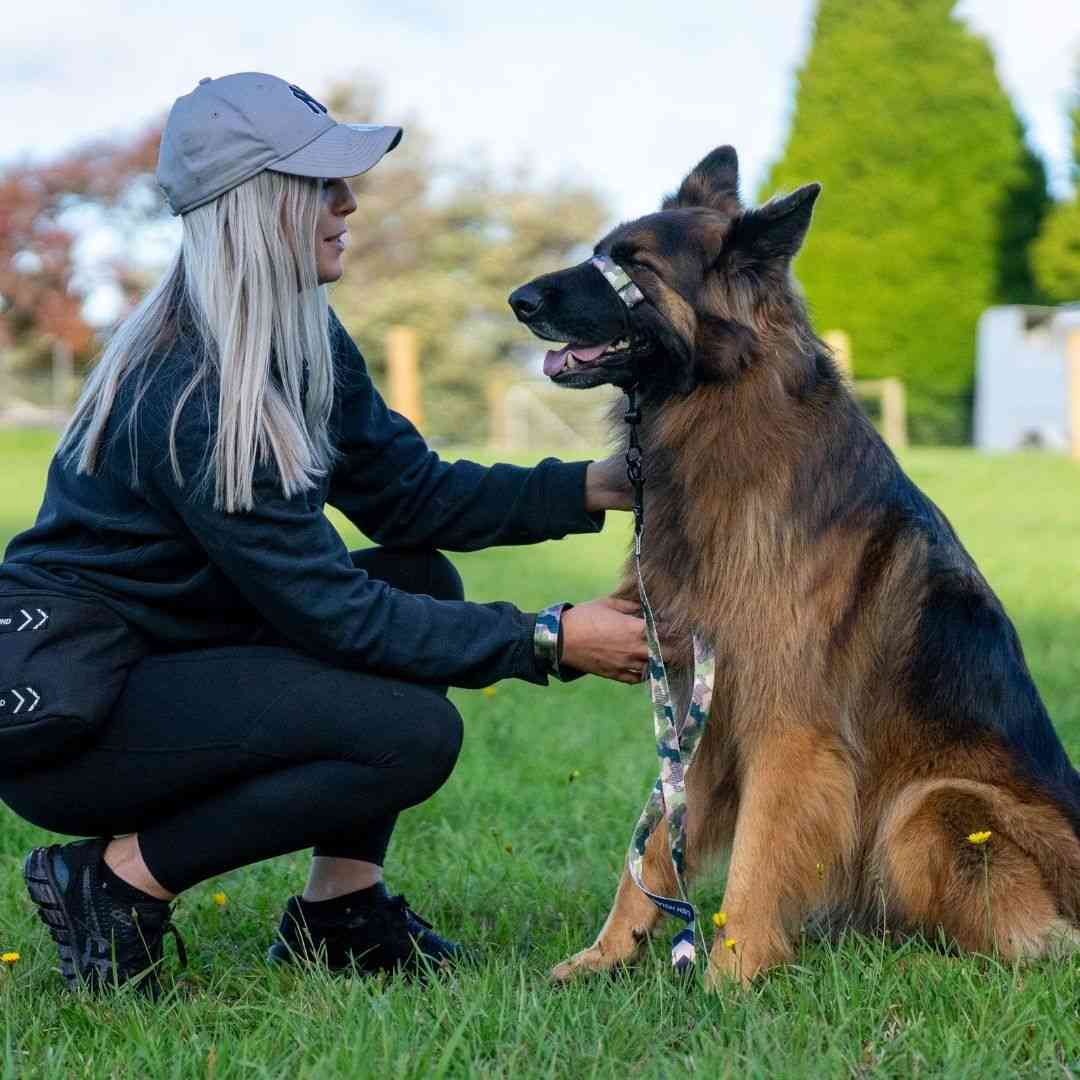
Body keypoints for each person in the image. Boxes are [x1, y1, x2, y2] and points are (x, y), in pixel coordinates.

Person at [0, 72, 652, 995]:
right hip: (84, 719)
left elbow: (410, 499)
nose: (349, 201)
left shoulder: (298, 333)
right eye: (320, 182)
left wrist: (595, 484)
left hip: (175, 655)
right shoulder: (194, 388)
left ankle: (339, 915)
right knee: (408, 733)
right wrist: (550, 638)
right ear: (254, 204)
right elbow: (336, 614)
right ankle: (115, 881)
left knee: (419, 575)